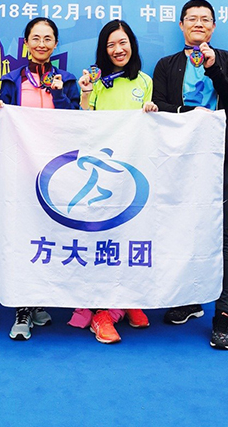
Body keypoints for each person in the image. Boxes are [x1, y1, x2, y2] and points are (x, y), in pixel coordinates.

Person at [152, 0, 228, 350]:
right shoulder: (167, 64)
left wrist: (213, 68)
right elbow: (159, 105)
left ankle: (222, 315)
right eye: (192, 18)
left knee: (220, 234)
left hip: (217, 157)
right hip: (177, 158)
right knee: (180, 229)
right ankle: (189, 300)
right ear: (181, 25)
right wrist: (187, 112)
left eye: (205, 19)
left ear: (214, 26)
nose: (198, 24)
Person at [74, 19, 158, 344]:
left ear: (132, 45)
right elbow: (84, 122)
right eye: (111, 45)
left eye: (123, 42)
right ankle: (100, 312)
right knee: (101, 238)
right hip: (100, 173)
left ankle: (127, 300)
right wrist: (85, 93)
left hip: (134, 172)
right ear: (103, 50)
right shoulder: (95, 81)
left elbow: (151, 128)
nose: (118, 49)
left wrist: (151, 110)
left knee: (131, 235)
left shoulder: (145, 81)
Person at [0, 16, 80, 339]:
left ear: (56, 44)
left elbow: (76, 123)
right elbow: (2, 123)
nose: (42, 44)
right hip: (20, 170)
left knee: (48, 237)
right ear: (26, 43)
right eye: (36, 38)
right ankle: (22, 309)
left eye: (48, 39)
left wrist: (59, 95)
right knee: (22, 237)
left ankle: (39, 301)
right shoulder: (12, 80)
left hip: (56, 172)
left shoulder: (67, 80)